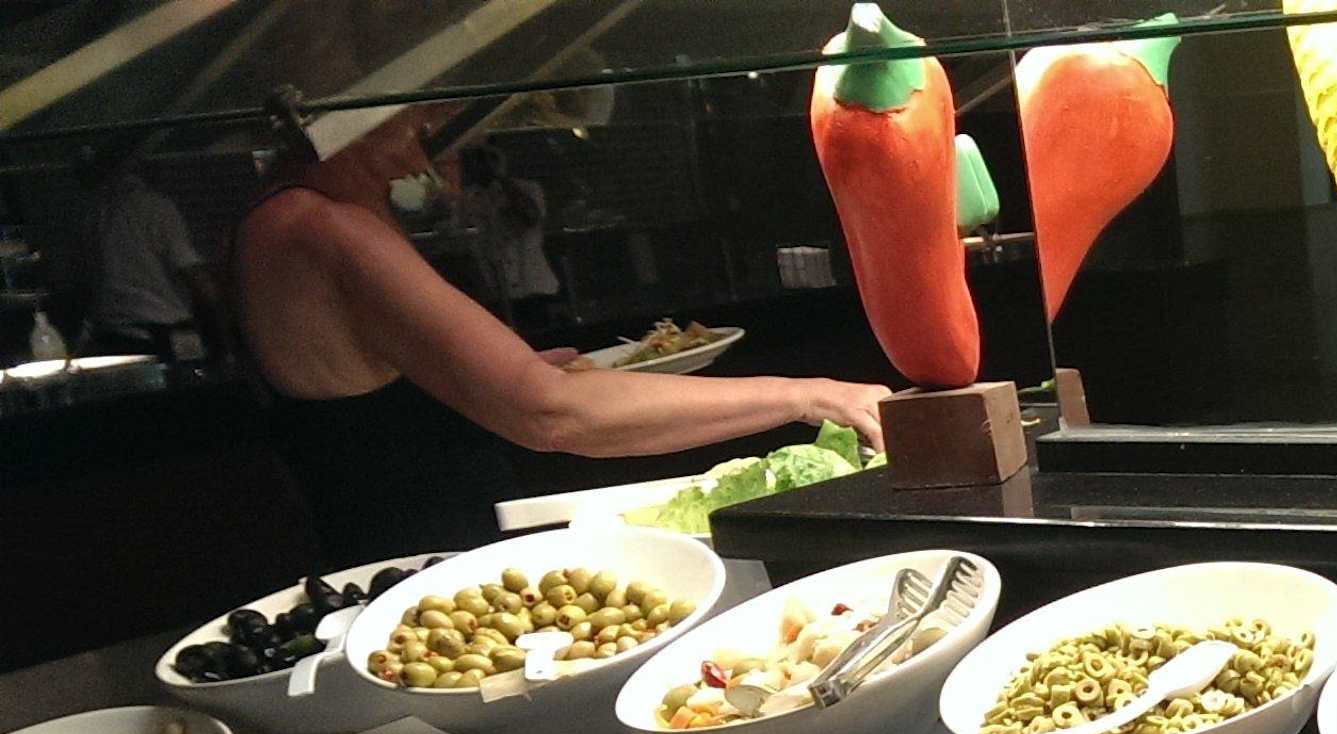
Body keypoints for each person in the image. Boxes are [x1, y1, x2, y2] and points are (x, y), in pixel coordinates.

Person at [232, 107, 891, 567]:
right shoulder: (323, 227)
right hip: (417, 566)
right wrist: (811, 395)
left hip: (402, 549)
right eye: (419, 110)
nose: (439, 125)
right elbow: (549, 413)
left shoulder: (291, 209)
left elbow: (376, 393)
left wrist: (487, 380)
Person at [78, 149, 214, 358]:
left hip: (113, 331)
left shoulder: (94, 212)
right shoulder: (155, 206)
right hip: (165, 327)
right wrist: (220, 310)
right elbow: (188, 267)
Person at [454, 143, 562, 335]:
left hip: (532, 284)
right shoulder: (466, 199)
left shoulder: (528, 189)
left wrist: (502, 181)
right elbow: (461, 234)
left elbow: (530, 217)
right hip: (494, 289)